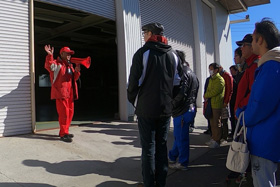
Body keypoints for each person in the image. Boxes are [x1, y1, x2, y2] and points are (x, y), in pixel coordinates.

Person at [127, 23, 182, 187]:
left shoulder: (143, 53)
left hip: (146, 109)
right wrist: (170, 103)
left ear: (151, 33)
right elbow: (177, 84)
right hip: (165, 110)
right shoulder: (173, 55)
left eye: (145, 33)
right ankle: (161, 182)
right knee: (162, 146)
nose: (143, 35)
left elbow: (133, 83)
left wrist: (135, 101)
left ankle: (149, 183)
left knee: (148, 149)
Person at [236, 18, 280, 187]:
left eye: (252, 39)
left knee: (263, 181)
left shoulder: (270, 65)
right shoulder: (273, 63)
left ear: (260, 40)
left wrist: (242, 115)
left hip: (265, 138)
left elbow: (260, 104)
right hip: (271, 135)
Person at [168, 50, 199, 170]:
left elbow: (181, 93)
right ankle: (172, 156)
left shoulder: (182, 73)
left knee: (181, 137)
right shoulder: (192, 73)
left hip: (182, 110)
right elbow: (194, 92)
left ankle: (183, 162)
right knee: (179, 135)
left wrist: (172, 104)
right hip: (190, 108)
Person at [44, 45, 81, 143]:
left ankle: (66, 131)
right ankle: (63, 134)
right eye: (68, 53)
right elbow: (49, 66)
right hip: (61, 93)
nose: (69, 55)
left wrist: (77, 72)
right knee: (64, 114)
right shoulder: (57, 64)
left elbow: (74, 79)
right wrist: (50, 55)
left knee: (70, 113)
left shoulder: (69, 66)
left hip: (70, 94)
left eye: (70, 54)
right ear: (62, 54)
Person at [234, 34, 260, 112]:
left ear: (252, 46)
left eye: (244, 45)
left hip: (247, 114)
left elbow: (255, 94)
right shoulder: (250, 65)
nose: (241, 49)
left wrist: (240, 107)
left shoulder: (255, 66)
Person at [204, 63, 225, 148]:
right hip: (211, 104)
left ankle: (217, 140)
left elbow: (215, 91)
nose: (210, 71)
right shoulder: (212, 79)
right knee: (212, 123)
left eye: (211, 69)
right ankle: (213, 138)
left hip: (217, 104)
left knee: (216, 123)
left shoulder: (220, 80)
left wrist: (206, 95)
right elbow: (209, 89)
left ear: (216, 70)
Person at [219, 66, 233, 144]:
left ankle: (225, 136)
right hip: (218, 101)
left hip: (224, 100)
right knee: (219, 119)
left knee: (224, 119)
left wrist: (226, 101)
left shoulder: (226, 75)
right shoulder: (218, 76)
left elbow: (229, 89)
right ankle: (221, 135)